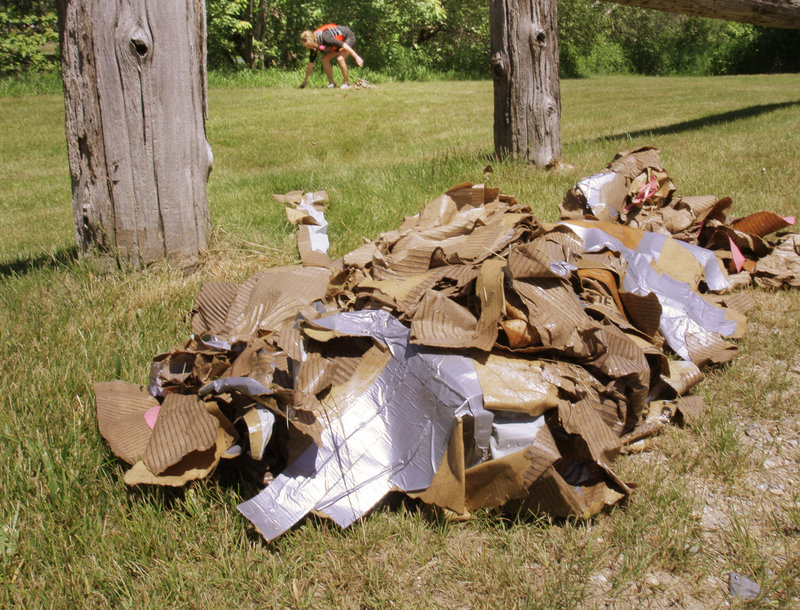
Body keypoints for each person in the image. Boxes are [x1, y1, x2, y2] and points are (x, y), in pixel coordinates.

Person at [299, 24, 364, 90]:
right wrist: (305, 80)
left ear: (313, 40)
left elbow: (344, 45)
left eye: (309, 46)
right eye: (307, 46)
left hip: (347, 37)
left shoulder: (325, 38)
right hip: (338, 44)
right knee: (325, 59)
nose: (309, 48)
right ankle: (332, 83)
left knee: (340, 59)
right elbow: (311, 63)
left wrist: (356, 57)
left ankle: (346, 83)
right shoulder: (313, 45)